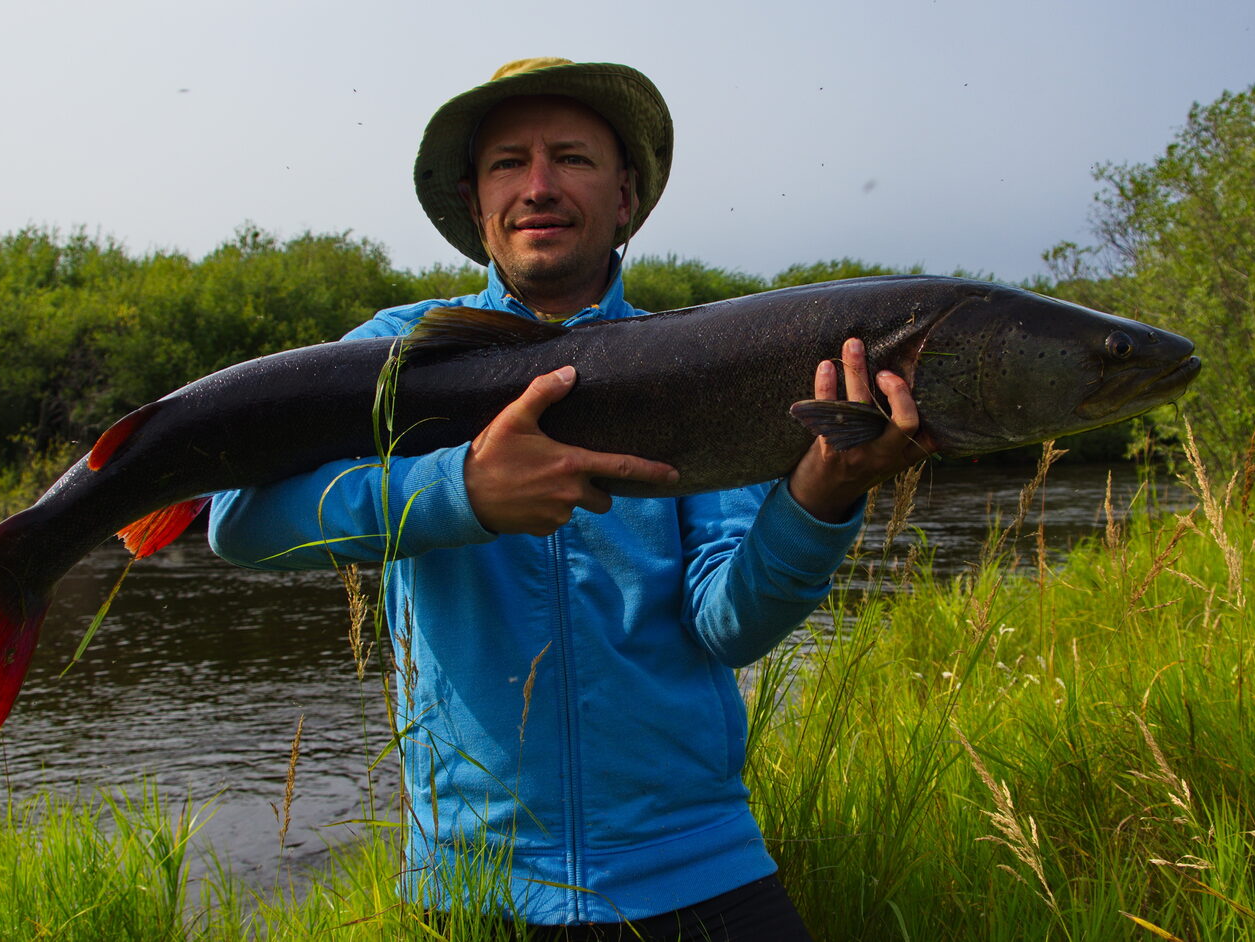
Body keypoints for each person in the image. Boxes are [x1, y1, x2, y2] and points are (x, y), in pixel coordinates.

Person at [208, 57, 932, 940]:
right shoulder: (396, 353)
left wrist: (821, 496)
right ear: (476, 204)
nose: (539, 186)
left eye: (574, 159)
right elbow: (238, 525)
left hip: (698, 865)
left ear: (624, 196)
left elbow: (729, 626)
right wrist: (459, 490)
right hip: (471, 889)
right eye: (509, 162)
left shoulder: (705, 366)